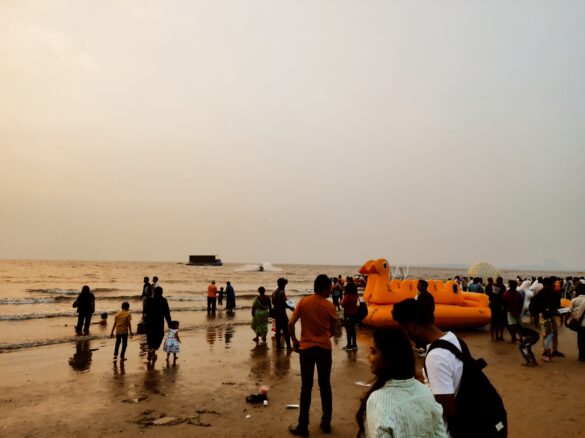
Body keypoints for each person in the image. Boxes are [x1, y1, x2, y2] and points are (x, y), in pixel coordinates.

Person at [356, 327, 447, 438]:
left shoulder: (378, 401)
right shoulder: (426, 393)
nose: (368, 356)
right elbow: (441, 434)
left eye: (373, 351)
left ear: (389, 358)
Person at [392, 299, 463, 435]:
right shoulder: (452, 338)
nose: (408, 337)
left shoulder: (436, 356)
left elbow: (446, 408)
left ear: (412, 326)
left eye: (405, 330)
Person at [288, 275, 338, 436]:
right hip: (324, 350)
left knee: (306, 387)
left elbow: (290, 323)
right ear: (324, 288)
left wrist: (295, 341)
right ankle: (326, 423)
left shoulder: (304, 302)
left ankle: (303, 426)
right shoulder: (330, 306)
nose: (331, 290)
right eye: (329, 287)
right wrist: (324, 337)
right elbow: (335, 330)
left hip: (307, 349)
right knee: (325, 386)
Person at [143, 286, 172, 364]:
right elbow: (167, 313)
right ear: (162, 292)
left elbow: (145, 311)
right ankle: (153, 350)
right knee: (159, 336)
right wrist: (170, 323)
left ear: (154, 292)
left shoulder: (149, 300)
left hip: (149, 322)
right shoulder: (163, 301)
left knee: (150, 338)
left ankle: (151, 351)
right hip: (159, 322)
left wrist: (145, 321)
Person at [272, 278, 294, 350]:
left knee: (278, 331)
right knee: (286, 331)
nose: (285, 286)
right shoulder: (282, 292)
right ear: (282, 284)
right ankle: (288, 346)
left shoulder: (274, 292)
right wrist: (291, 308)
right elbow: (284, 304)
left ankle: (278, 345)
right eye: (284, 285)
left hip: (276, 314)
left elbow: (273, 303)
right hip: (282, 314)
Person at [568, 284, 585, 361]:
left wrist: (566, 320)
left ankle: (581, 356)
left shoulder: (574, 300)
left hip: (582, 324)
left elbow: (570, 312)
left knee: (581, 340)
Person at [341, 278, 358, 350]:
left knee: (348, 330)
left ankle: (349, 345)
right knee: (353, 330)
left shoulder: (347, 295)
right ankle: (354, 344)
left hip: (348, 314)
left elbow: (343, 304)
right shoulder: (355, 295)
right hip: (354, 314)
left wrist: (341, 301)